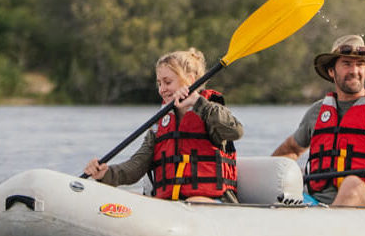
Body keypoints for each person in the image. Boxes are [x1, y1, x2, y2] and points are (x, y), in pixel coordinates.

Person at [269, 34, 365, 208]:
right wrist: (272, 175)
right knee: (282, 196)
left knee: (352, 185)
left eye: (359, 65)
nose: (354, 70)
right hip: (316, 202)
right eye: (346, 64)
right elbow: (291, 149)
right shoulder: (317, 112)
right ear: (331, 71)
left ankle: (326, 225)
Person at [83, 47, 245, 201]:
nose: (162, 89)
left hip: (213, 201)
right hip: (170, 205)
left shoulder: (210, 110)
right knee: (130, 199)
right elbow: (137, 165)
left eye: (167, 82)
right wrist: (105, 174)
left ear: (190, 80)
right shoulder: (160, 124)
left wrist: (197, 102)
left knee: (194, 200)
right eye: (159, 83)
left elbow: (235, 131)